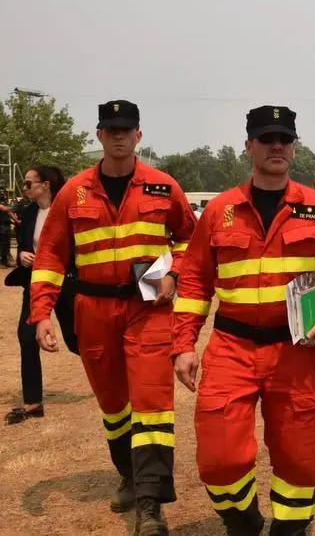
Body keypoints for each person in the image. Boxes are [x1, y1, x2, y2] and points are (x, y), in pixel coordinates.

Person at [171, 105, 315, 535]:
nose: (277, 146)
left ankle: (290, 529)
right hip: (231, 348)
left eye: (285, 139)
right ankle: (243, 520)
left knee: (296, 458)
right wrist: (183, 344)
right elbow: (196, 282)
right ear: (249, 147)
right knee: (219, 460)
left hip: (295, 351)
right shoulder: (219, 211)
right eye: (266, 138)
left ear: (294, 147)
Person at [29, 100, 195, 535]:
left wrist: (174, 272)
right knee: (114, 406)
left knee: (153, 403)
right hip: (93, 309)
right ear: (99, 135)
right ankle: (128, 473)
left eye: (127, 129)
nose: (119, 135)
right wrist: (41, 312)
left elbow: (191, 242)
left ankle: (150, 502)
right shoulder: (74, 192)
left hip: (149, 310)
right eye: (110, 129)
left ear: (139, 136)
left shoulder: (163, 187)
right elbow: (49, 256)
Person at [5, 166, 78, 426]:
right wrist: (23, 255)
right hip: (37, 285)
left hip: (66, 284)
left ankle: (117, 375)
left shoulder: (67, 210)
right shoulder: (28, 211)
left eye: (28, 183)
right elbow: (25, 244)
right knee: (26, 337)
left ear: (45, 185)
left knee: (74, 340)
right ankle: (33, 402)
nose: (25, 188)